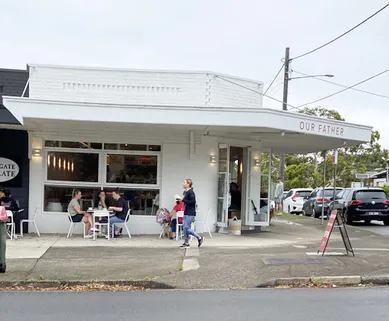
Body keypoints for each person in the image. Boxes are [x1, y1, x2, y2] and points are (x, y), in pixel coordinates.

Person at [179, 179, 204, 249]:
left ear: (188, 184)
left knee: (186, 228)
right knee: (184, 228)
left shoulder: (191, 192)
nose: (182, 184)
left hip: (190, 212)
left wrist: (183, 200)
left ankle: (199, 237)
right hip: (186, 212)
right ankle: (186, 242)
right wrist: (179, 201)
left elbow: (193, 202)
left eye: (184, 182)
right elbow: (186, 202)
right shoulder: (186, 192)